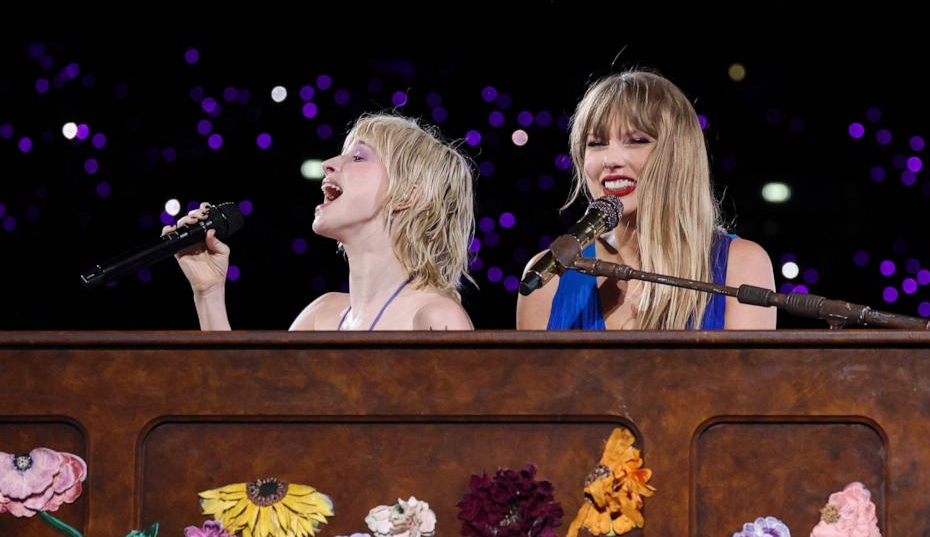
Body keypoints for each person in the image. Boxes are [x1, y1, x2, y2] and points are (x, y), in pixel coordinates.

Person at [517, 70, 776, 330]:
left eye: (637, 140)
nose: (611, 160)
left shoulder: (740, 265)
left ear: (679, 155)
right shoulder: (547, 279)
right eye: (596, 143)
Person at [165, 113, 475, 331]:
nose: (328, 164)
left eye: (358, 157)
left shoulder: (435, 318)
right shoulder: (321, 316)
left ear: (406, 194)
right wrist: (209, 294)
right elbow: (246, 412)